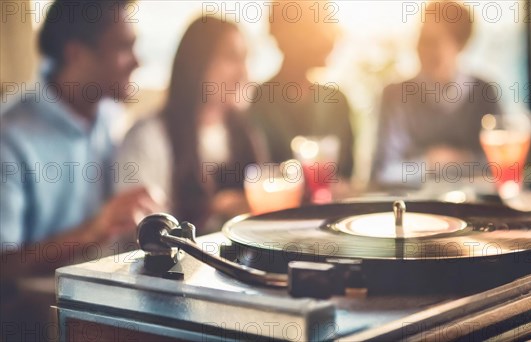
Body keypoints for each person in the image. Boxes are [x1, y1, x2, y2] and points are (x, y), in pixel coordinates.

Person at [0, 0, 162, 339]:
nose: (137, 61)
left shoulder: (108, 116)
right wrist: (92, 230)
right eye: (123, 47)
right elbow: (3, 266)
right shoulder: (10, 136)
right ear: (76, 54)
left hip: (93, 311)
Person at [117, 17, 265, 232]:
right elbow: (138, 232)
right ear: (197, 63)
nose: (243, 72)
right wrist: (212, 211)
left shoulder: (246, 133)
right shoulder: (148, 138)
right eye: (231, 58)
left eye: (246, 59)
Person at [372, 0, 502, 185]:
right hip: (413, 207)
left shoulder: (484, 92)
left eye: (432, 42)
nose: (421, 49)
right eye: (421, 39)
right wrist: (431, 162)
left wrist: (436, 163)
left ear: (460, 45)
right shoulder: (395, 95)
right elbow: (384, 171)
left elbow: (498, 166)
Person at [247, 1, 354, 180]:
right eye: (323, 25)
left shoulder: (336, 101)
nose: (335, 35)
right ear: (290, 34)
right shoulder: (256, 102)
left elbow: (346, 177)